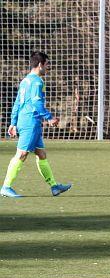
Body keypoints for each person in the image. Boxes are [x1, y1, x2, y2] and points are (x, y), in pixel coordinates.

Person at [3, 51, 71, 198]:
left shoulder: (25, 81)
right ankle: (6, 187)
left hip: (26, 121)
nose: (48, 68)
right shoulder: (37, 81)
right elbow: (36, 102)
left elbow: (17, 102)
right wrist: (49, 117)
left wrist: (13, 122)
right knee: (21, 154)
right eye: (47, 65)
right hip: (30, 122)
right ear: (40, 64)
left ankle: (54, 187)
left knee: (41, 154)